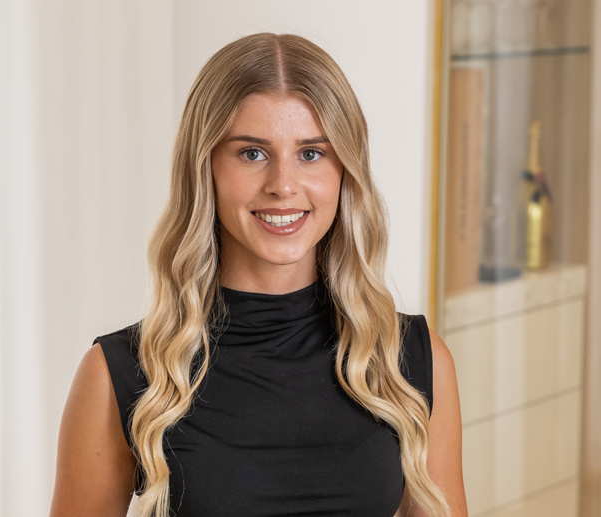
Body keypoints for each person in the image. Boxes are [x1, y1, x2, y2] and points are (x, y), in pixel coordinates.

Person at [49, 33, 467, 517]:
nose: (283, 185)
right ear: (205, 167)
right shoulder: (121, 374)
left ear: (344, 171)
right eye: (252, 153)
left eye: (311, 153)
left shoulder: (410, 362)